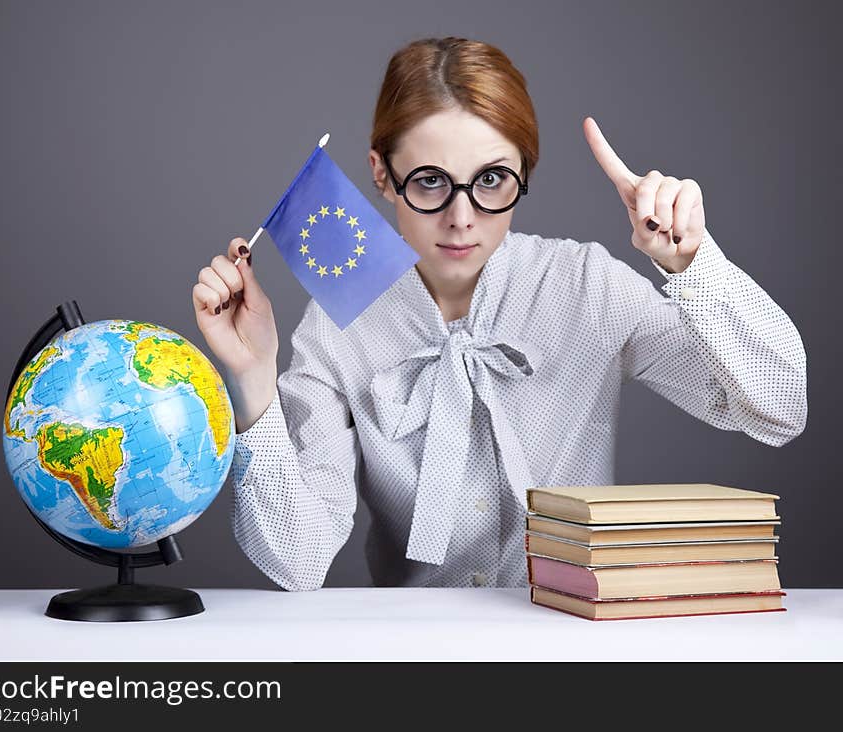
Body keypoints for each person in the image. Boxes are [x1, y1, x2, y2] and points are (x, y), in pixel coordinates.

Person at [191, 36, 807, 591]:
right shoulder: (340, 328)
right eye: (430, 181)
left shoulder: (585, 288)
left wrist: (693, 267)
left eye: (491, 180)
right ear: (382, 174)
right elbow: (297, 561)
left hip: (578, 646)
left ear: (524, 173)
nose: (462, 218)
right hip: (413, 663)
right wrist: (253, 379)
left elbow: (779, 409)